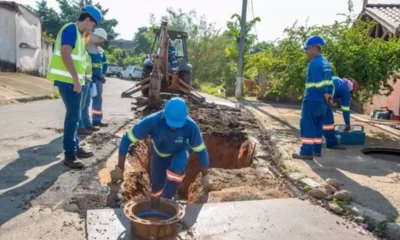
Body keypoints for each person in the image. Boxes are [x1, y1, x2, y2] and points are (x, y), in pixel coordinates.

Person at [113, 97, 212, 200]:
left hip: (180, 151)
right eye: (171, 123)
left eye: (177, 125)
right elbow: (126, 138)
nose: (174, 128)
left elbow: (201, 150)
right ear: (164, 115)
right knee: (157, 189)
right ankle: (157, 201)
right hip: (159, 155)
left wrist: (206, 176)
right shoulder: (152, 122)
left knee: (177, 167)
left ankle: (169, 199)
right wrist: (120, 168)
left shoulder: (191, 126)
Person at [46, 5, 102, 169]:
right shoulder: (71, 29)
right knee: (72, 118)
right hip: (69, 82)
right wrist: (76, 80)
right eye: (93, 25)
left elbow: (80, 59)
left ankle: (75, 147)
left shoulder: (79, 34)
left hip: (74, 82)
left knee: (75, 116)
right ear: (87, 20)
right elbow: (65, 53)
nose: (93, 29)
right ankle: (69, 155)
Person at [292, 35, 334, 160]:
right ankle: (316, 150)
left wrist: (323, 93)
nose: (306, 51)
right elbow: (330, 82)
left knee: (307, 125)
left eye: (307, 48)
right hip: (322, 102)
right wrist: (328, 95)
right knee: (318, 126)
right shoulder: (325, 62)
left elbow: (318, 83)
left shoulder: (314, 63)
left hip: (312, 99)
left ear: (315, 47)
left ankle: (306, 152)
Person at [322, 76, 359, 151]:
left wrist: (331, 101)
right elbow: (345, 109)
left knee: (318, 119)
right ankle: (331, 143)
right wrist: (347, 124)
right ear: (352, 89)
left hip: (317, 95)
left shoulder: (338, 79)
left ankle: (319, 139)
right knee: (328, 121)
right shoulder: (346, 90)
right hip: (323, 99)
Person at [77, 39, 100, 136]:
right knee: (80, 105)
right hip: (82, 81)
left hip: (87, 81)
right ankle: (80, 126)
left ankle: (87, 124)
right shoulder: (79, 51)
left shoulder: (86, 52)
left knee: (86, 104)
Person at [87, 28, 109, 127]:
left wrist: (103, 74)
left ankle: (97, 120)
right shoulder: (87, 47)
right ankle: (85, 123)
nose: (102, 43)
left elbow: (104, 63)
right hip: (88, 79)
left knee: (98, 100)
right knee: (85, 101)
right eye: (101, 40)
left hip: (98, 80)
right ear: (96, 38)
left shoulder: (100, 51)